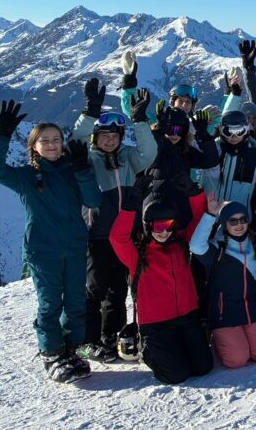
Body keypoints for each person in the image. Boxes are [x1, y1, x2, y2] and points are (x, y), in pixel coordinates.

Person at [0, 101, 100, 383]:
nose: (51, 145)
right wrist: (1, 135)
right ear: (34, 146)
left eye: (56, 140)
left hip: (74, 248)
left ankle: (70, 350)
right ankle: (51, 353)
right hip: (42, 250)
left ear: (62, 144)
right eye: (44, 141)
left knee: (75, 302)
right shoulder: (26, 177)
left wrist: (83, 169)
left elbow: (93, 200)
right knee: (50, 304)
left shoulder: (72, 171)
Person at [72, 78, 158, 363]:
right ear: (96, 138)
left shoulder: (129, 158)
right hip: (98, 235)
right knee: (95, 288)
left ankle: (112, 337)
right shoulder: (89, 159)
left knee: (118, 289)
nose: (110, 140)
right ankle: (88, 340)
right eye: (104, 136)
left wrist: (140, 120)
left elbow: (150, 153)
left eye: (115, 135)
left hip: (126, 235)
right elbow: (75, 142)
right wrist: (91, 112)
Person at [109, 180, 213, 384]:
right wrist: (130, 207)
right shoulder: (137, 254)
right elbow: (117, 238)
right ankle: (148, 350)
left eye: (169, 225)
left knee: (203, 367)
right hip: (156, 325)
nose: (164, 231)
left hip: (187, 317)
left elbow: (199, 223)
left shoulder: (182, 245)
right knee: (176, 374)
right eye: (158, 225)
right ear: (148, 225)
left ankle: (179, 347)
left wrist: (196, 196)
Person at [189, 199, 256, 369]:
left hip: (254, 310)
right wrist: (210, 215)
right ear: (224, 223)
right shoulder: (218, 247)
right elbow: (195, 246)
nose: (239, 224)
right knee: (236, 360)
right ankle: (217, 337)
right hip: (225, 313)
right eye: (233, 221)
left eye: (243, 219)